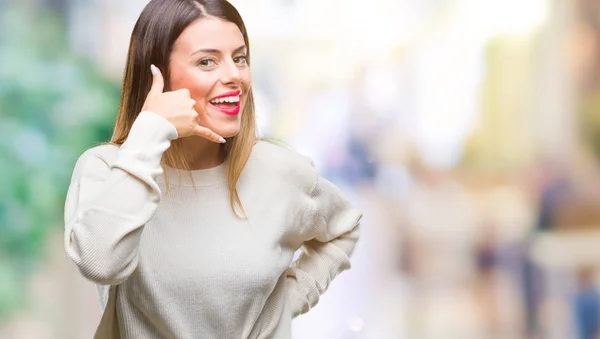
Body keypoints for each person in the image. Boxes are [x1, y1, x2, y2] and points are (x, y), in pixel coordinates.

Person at [62, 1, 362, 338]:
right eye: (207, 61)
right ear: (155, 76)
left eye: (239, 58)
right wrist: (149, 132)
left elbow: (345, 227)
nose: (234, 75)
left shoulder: (279, 171)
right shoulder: (106, 171)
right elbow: (100, 263)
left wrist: (291, 298)